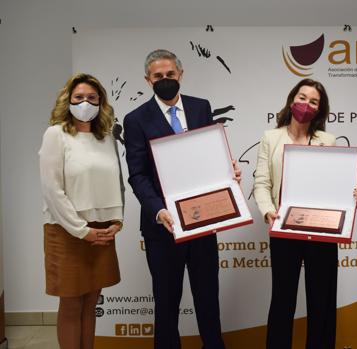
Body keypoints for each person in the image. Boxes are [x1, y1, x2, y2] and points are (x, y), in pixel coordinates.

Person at [123, 49, 240, 349]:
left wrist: (229, 172)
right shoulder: (136, 119)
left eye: (170, 75)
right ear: (148, 80)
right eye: (158, 76)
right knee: (166, 303)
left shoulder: (201, 108)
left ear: (180, 75)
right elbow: (137, 175)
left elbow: (209, 157)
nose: (165, 80)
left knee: (207, 300)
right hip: (163, 227)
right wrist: (159, 210)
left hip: (202, 223)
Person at [253, 78, 357, 349]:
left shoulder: (328, 140)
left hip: (322, 230)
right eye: (302, 98)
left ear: (319, 109)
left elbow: (335, 185)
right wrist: (269, 213)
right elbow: (261, 182)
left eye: (313, 101)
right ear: (292, 101)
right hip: (284, 228)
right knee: (282, 299)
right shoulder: (271, 137)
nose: (306, 104)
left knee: (322, 299)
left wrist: (352, 198)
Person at [39, 73, 124, 349]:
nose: (85, 102)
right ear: (68, 100)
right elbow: (52, 191)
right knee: (72, 304)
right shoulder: (56, 135)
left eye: (91, 98)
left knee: (91, 302)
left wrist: (117, 221)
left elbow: (117, 183)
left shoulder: (105, 137)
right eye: (79, 97)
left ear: (100, 102)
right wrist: (81, 230)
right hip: (67, 231)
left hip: (101, 230)